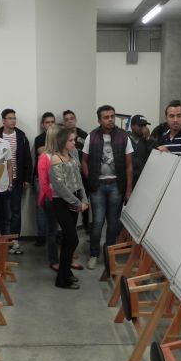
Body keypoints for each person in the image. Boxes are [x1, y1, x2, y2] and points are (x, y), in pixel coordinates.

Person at [81, 105, 133, 270]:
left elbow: (129, 166)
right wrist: (90, 180)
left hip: (116, 186)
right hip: (97, 187)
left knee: (113, 223)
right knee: (97, 222)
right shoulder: (91, 137)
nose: (110, 119)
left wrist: (128, 190)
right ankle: (94, 254)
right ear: (99, 120)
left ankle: (109, 254)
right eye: (106, 117)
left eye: (112, 116)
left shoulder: (124, 137)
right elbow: (84, 161)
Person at [49, 128, 88, 290]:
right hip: (62, 203)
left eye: (74, 140)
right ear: (62, 142)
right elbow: (60, 188)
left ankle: (66, 273)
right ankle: (61, 280)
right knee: (73, 239)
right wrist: (77, 203)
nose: (74, 143)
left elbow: (79, 180)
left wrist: (84, 198)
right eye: (71, 140)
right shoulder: (55, 159)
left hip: (75, 200)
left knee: (67, 239)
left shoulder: (74, 154)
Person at [0, 109, 32, 254]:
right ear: (3, 121)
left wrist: (27, 178)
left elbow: (27, 159)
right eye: (10, 118)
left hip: (16, 179)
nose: (13, 120)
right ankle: (1, 240)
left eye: (14, 118)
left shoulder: (21, 136)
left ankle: (14, 240)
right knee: (1, 212)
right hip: (1, 181)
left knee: (15, 211)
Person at [37, 125, 61, 272]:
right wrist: (55, 198)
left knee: (65, 230)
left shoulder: (63, 155)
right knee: (52, 231)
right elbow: (44, 184)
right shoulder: (44, 157)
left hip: (63, 199)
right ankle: (53, 260)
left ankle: (67, 257)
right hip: (50, 199)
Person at [62, 109, 90, 232]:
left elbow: (89, 153)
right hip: (69, 174)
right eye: (66, 120)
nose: (69, 121)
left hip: (83, 172)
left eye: (71, 118)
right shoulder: (62, 136)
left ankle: (86, 224)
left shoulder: (84, 135)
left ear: (75, 120)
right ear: (64, 122)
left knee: (85, 197)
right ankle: (69, 228)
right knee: (71, 200)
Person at [33, 112, 57, 246]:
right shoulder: (39, 138)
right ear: (43, 125)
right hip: (41, 178)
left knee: (57, 207)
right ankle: (41, 235)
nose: (50, 124)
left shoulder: (60, 137)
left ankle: (56, 234)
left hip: (57, 179)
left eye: (52, 122)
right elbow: (43, 152)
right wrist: (56, 151)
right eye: (47, 122)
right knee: (41, 207)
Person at [128, 114, 154, 187]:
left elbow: (154, 156)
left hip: (143, 180)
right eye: (140, 125)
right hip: (127, 180)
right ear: (132, 126)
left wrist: (148, 138)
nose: (143, 128)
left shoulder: (149, 140)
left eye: (145, 125)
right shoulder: (125, 139)